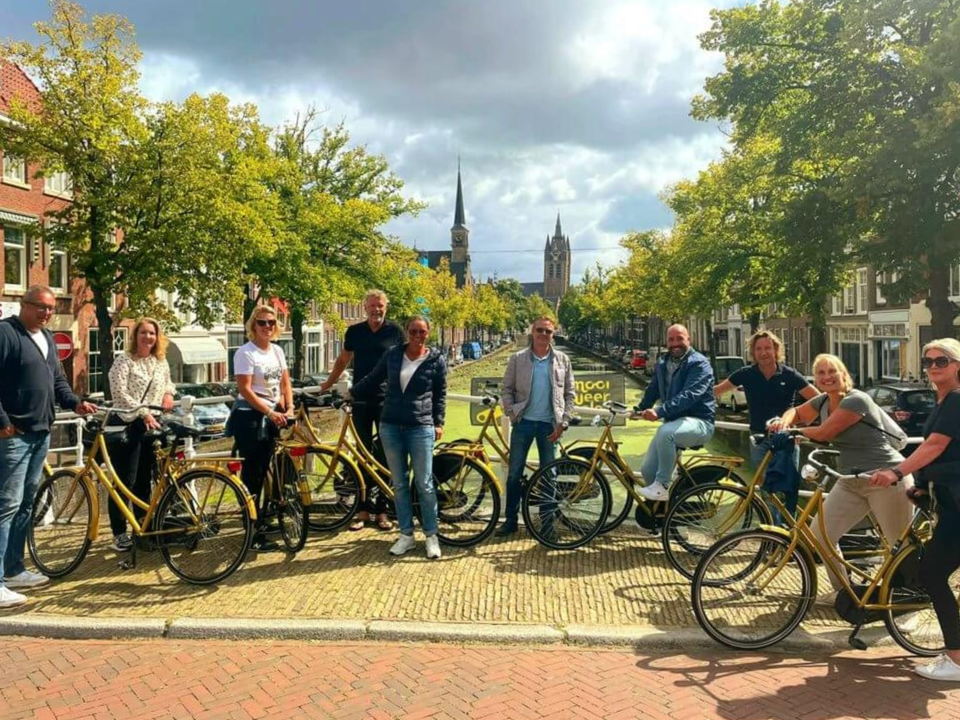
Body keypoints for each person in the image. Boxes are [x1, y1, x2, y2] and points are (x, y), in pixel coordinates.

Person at [770, 353, 913, 601]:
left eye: (832, 371)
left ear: (843, 374)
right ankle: (845, 594)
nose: (827, 377)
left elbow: (825, 432)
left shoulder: (856, 400)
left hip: (887, 478)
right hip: (851, 480)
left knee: (899, 546)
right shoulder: (823, 401)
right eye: (821, 373)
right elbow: (796, 411)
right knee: (820, 536)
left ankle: (907, 601)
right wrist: (783, 423)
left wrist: (794, 432)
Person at [0, 285, 96, 608]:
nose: (46, 313)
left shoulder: (48, 339)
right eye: (40, 307)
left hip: (41, 432)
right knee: (6, 505)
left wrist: (75, 403)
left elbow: (57, 381)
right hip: (13, 435)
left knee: (27, 503)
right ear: (23, 305)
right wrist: (2, 422)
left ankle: (14, 569)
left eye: (50, 309)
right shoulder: (6, 334)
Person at [870, 339, 960, 681]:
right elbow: (941, 450)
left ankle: (956, 659)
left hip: (957, 508)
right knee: (937, 573)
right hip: (949, 502)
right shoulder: (944, 401)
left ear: (957, 365)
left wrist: (897, 472)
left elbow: (936, 445)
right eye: (929, 361)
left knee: (934, 575)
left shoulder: (955, 399)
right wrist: (921, 485)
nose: (934, 366)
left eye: (942, 360)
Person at [351, 316, 446, 559]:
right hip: (391, 424)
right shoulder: (393, 355)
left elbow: (440, 393)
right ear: (406, 332)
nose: (417, 335)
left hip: (420, 425)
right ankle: (406, 535)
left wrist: (439, 422)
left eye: (422, 331)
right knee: (400, 483)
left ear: (428, 333)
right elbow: (374, 378)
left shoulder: (436, 359)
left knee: (424, 483)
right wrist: (350, 392)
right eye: (413, 331)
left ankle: (431, 535)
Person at [321, 290, 404, 531]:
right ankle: (363, 509)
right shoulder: (354, 332)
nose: (376, 310)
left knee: (387, 454)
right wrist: (327, 384)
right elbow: (343, 360)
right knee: (362, 454)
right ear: (364, 307)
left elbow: (403, 363)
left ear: (386, 307)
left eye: (380, 306)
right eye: (372, 306)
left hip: (387, 401)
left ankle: (383, 509)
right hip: (360, 400)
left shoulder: (395, 332)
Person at [497, 316, 575, 537]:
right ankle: (510, 520)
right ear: (532, 332)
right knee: (514, 474)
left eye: (548, 332)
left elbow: (570, 394)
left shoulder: (562, 360)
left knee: (549, 475)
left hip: (550, 426)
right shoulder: (518, 359)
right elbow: (507, 389)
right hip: (523, 424)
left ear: (553, 334)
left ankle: (546, 525)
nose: (543, 335)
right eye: (539, 330)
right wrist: (512, 414)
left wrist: (564, 422)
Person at [106, 318, 176, 552]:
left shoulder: (160, 361)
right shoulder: (124, 361)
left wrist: (168, 394)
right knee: (125, 480)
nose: (148, 337)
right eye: (144, 333)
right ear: (135, 336)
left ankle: (142, 529)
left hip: (152, 425)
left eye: (152, 334)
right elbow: (119, 394)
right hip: (129, 424)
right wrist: (143, 412)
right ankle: (118, 532)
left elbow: (168, 384)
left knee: (145, 480)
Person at [229, 305, 294, 552]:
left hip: (274, 416)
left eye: (271, 323)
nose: (267, 327)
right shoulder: (245, 353)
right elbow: (245, 389)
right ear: (253, 326)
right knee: (253, 475)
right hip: (251, 419)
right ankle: (251, 531)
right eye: (262, 323)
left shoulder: (277, 350)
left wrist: (289, 408)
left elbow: (285, 382)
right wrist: (269, 412)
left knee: (273, 467)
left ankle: (263, 519)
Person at [635, 324, 716, 502]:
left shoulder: (700, 363)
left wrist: (659, 411)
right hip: (673, 423)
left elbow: (689, 396)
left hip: (700, 423)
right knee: (648, 471)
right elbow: (653, 389)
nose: (675, 343)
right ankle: (666, 513)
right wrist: (639, 409)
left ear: (689, 339)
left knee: (665, 433)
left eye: (680, 338)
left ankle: (662, 485)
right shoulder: (663, 362)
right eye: (671, 339)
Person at [714, 330, 818, 468]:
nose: (763, 353)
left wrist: (800, 428)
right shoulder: (746, 374)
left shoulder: (789, 375)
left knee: (787, 483)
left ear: (776, 350)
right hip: (758, 439)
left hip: (785, 438)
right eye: (759, 349)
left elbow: (818, 399)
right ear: (753, 352)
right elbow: (715, 391)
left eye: (768, 348)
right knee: (762, 484)